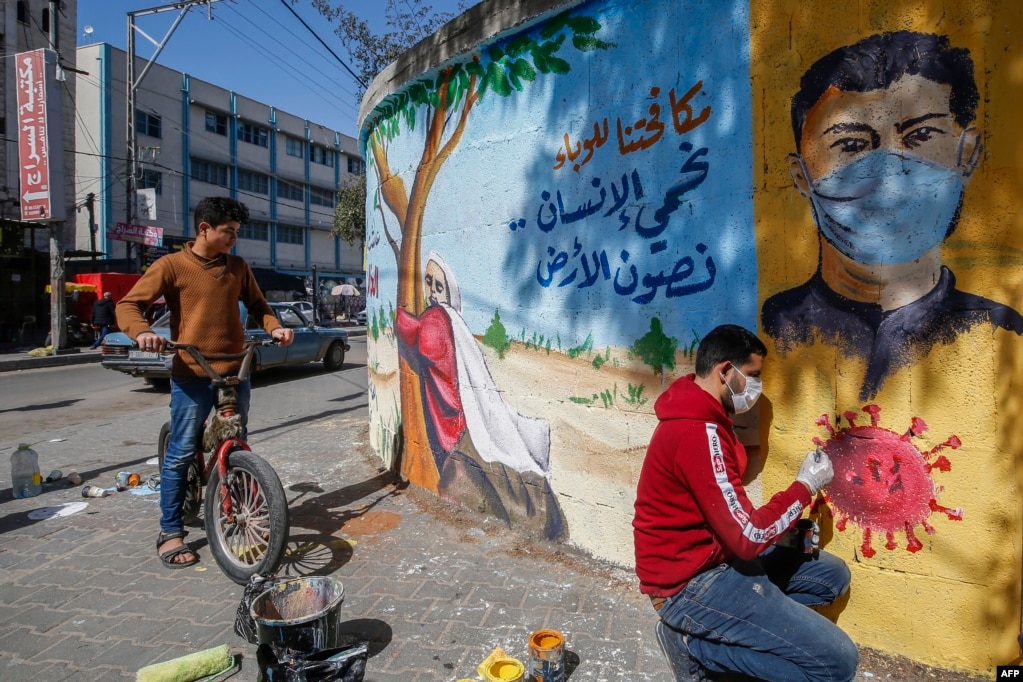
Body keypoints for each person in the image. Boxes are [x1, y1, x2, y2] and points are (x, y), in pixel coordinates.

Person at [760, 31, 1023, 400]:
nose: (888, 175)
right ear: (801, 174)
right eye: (851, 145)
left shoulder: (1003, 332)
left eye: (921, 135)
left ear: (968, 155)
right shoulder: (768, 328)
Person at [633, 324, 858, 681]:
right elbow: (749, 536)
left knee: (831, 578)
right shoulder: (697, 433)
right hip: (687, 585)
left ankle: (747, 633)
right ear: (726, 371)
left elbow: (735, 521)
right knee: (838, 664)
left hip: (719, 554)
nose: (757, 387)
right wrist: (804, 486)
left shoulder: (712, 419)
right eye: (753, 375)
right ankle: (695, 645)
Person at [116, 196, 294, 569]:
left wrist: (275, 328)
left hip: (235, 371)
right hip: (192, 373)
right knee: (180, 453)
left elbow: (259, 306)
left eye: (236, 233)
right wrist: (144, 332)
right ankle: (170, 531)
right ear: (204, 229)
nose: (233, 239)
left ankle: (235, 498)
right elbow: (128, 306)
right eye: (228, 232)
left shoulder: (238, 267)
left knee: (234, 440)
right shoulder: (172, 266)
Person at [395, 252, 566, 541]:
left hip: (455, 422)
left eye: (439, 286)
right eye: (428, 283)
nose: (433, 293)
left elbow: (423, 342)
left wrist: (402, 318)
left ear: (449, 290)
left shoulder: (438, 318)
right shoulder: (452, 322)